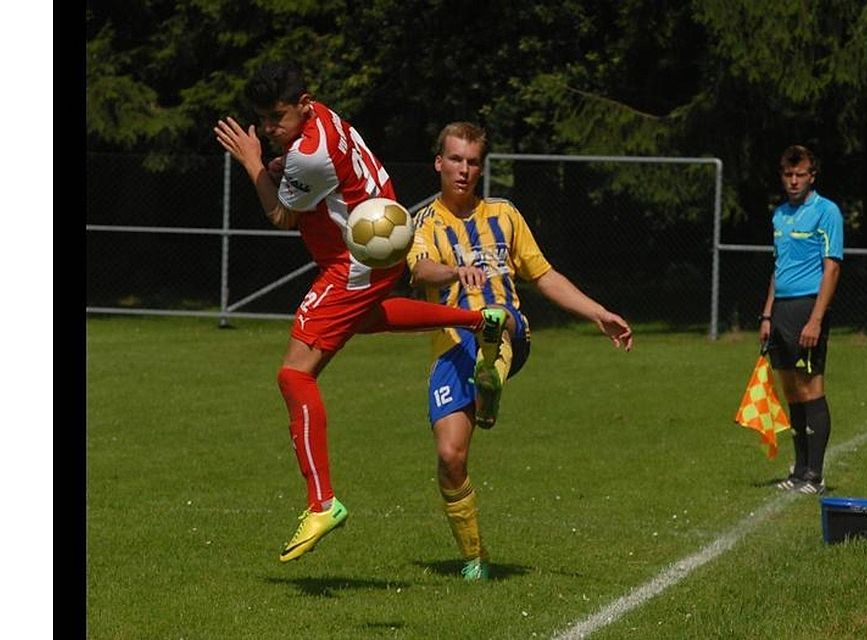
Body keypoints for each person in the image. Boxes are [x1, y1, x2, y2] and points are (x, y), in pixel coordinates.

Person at [213, 63, 507, 563]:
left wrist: (252, 162)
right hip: (380, 243)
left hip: (353, 261)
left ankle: (321, 503)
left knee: (294, 375)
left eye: (276, 118)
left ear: (303, 103)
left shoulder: (309, 153)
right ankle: (479, 323)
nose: (267, 129)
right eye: (261, 120)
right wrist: (276, 160)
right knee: (366, 319)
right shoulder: (322, 119)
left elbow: (282, 216)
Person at [406, 122, 633, 580]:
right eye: (455, 160)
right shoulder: (424, 223)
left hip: (508, 330)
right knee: (451, 458)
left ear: (481, 167)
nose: (464, 170)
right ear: (439, 163)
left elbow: (544, 275)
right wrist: (453, 273)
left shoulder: (505, 215)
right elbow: (420, 271)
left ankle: (492, 368)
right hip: (451, 348)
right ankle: (474, 557)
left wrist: (597, 313)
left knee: (493, 316)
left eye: (473, 162)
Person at [759, 144, 843, 496]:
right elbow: (778, 269)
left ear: (812, 176)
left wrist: (816, 319)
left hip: (809, 308)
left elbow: (832, 267)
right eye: (788, 175)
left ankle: (815, 475)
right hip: (781, 312)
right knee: (791, 390)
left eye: (800, 174)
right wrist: (767, 313)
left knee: (811, 387)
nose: (793, 181)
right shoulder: (779, 214)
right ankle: (798, 471)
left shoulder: (827, 212)